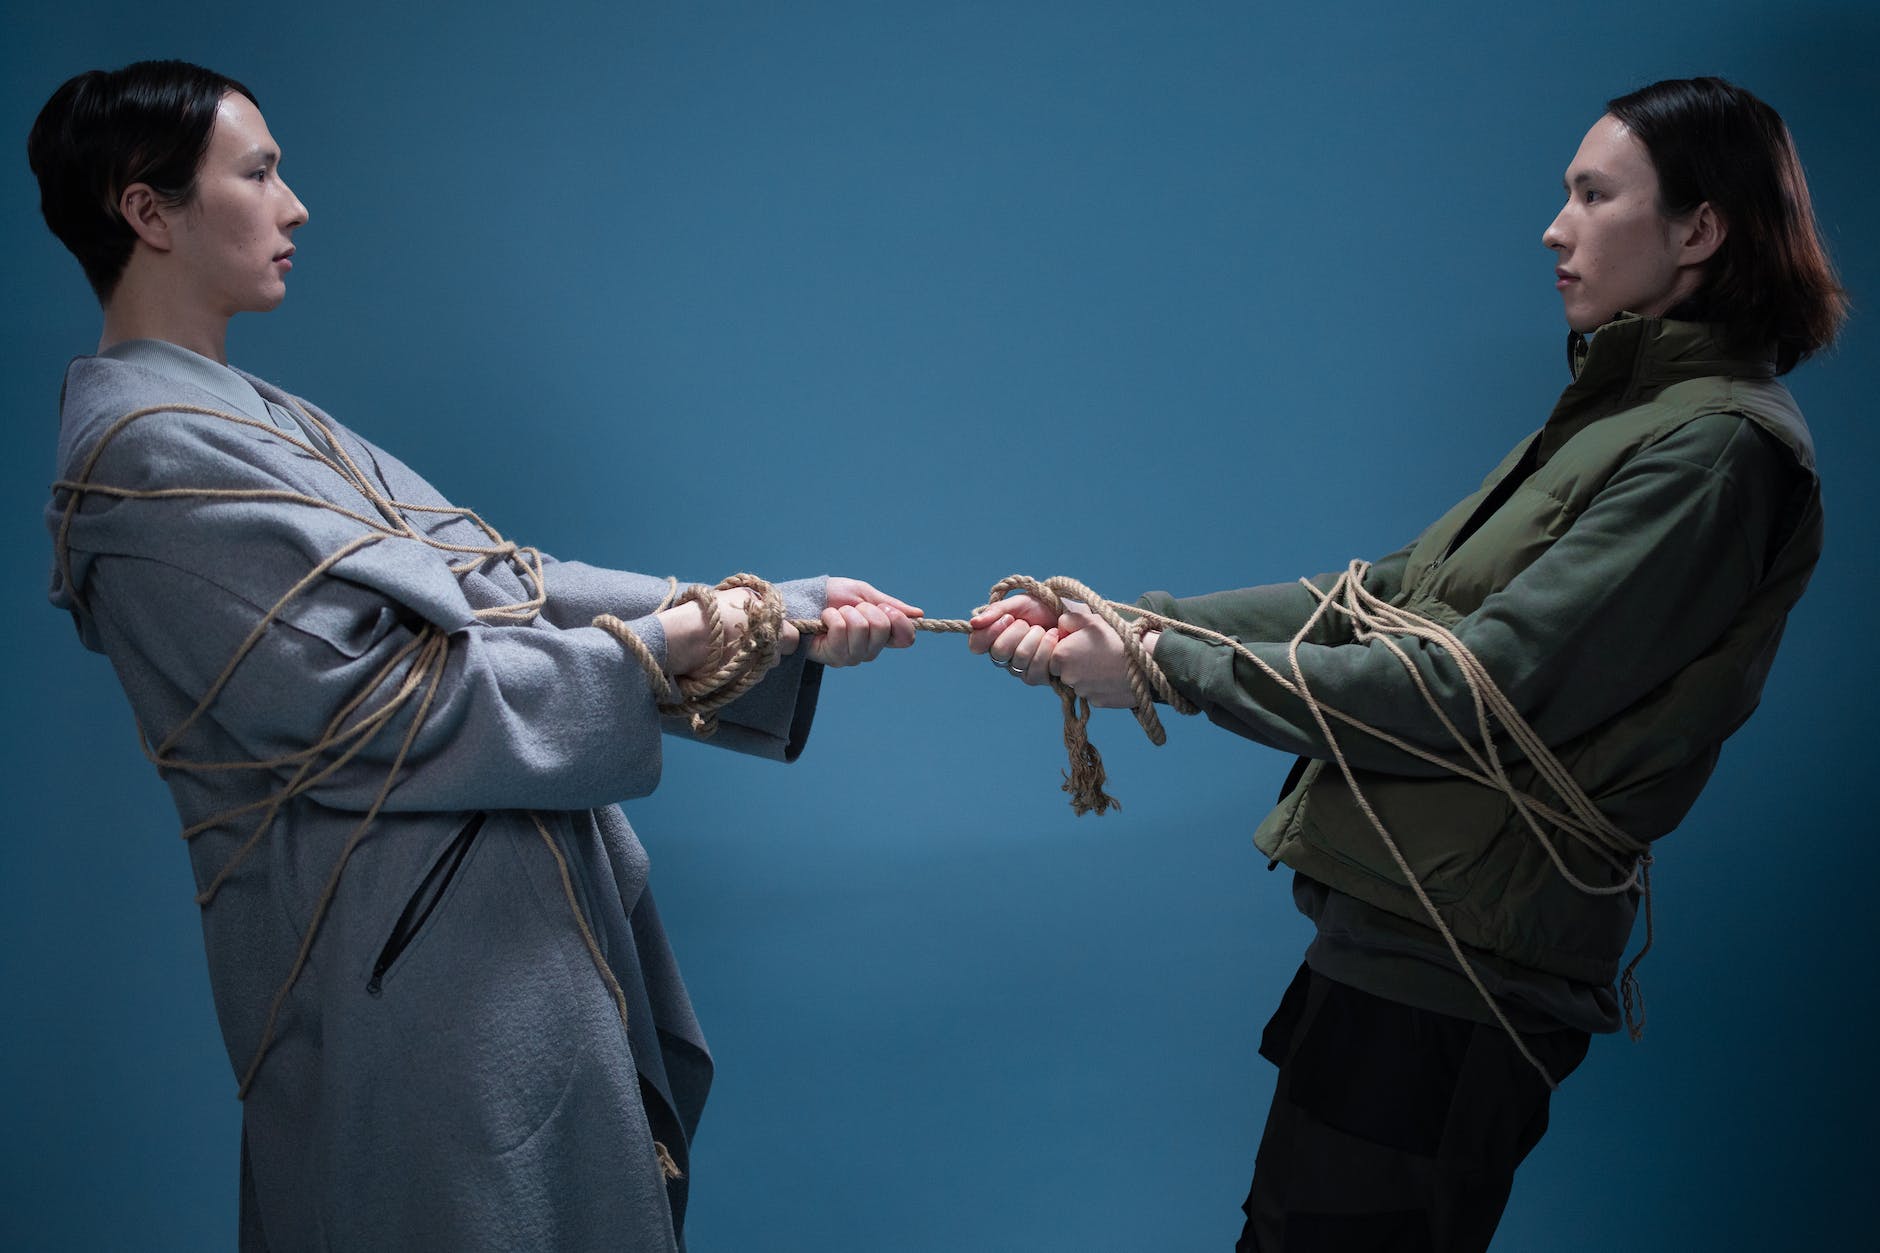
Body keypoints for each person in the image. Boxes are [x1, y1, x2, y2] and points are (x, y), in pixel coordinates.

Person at [31, 60, 921, 1252]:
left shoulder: (251, 416)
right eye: (258, 173)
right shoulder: (141, 456)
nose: (295, 205)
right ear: (147, 211)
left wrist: (764, 611)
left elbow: (497, 578)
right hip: (405, 985)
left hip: (485, 950)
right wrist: (663, 648)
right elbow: (371, 707)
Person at [970, 76, 1843, 1251]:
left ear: (1698, 229)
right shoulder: (1623, 416)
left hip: (1455, 976)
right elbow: (1377, 602)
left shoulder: (1712, 450)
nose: (1554, 227)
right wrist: (1128, 622)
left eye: (1594, 196)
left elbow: (1468, 691)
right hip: (1401, 940)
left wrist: (1164, 666)